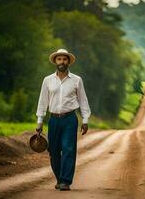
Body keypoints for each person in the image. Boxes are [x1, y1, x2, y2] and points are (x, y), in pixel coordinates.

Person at [35, 48, 91, 191]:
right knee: (53, 151)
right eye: (59, 59)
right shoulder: (47, 80)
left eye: (64, 59)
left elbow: (83, 100)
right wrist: (40, 120)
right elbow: (43, 101)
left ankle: (65, 181)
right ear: (55, 61)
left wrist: (85, 120)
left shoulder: (77, 80)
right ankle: (59, 178)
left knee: (68, 149)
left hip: (70, 119)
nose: (62, 62)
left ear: (68, 62)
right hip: (53, 120)